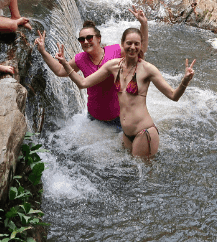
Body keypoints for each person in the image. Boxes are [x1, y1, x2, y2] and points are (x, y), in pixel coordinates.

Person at [55, 27, 196, 158]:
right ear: (122, 44)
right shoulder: (113, 66)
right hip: (126, 134)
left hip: (144, 132)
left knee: (144, 177)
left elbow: (173, 96)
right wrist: (65, 64)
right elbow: (83, 83)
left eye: (136, 43)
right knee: (132, 176)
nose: (132, 47)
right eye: (129, 43)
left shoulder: (148, 69)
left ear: (141, 45)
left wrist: (185, 81)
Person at [34, 6, 148, 128]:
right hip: (94, 117)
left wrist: (143, 24)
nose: (86, 41)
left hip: (119, 117)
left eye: (89, 37)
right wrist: (43, 51)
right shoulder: (80, 58)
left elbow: (140, 50)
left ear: (98, 38)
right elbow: (60, 71)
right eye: (81, 39)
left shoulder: (115, 51)